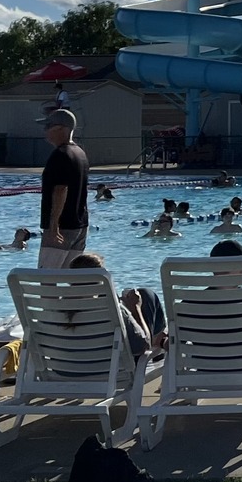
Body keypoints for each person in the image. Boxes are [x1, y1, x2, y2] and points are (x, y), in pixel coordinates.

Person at [68, 253, 165, 360]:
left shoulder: (53, 311)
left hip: (64, 372)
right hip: (110, 374)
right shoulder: (114, 311)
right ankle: (161, 346)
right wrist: (135, 309)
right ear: (102, 281)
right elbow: (143, 346)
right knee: (147, 295)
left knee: (146, 294)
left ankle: (161, 341)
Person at [36, 108, 90, 268]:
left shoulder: (60, 154)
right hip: (80, 225)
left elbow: (60, 190)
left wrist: (54, 224)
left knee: (47, 278)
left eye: (48, 126)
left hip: (62, 227)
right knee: (70, 277)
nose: (45, 130)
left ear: (61, 128)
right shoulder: (80, 153)